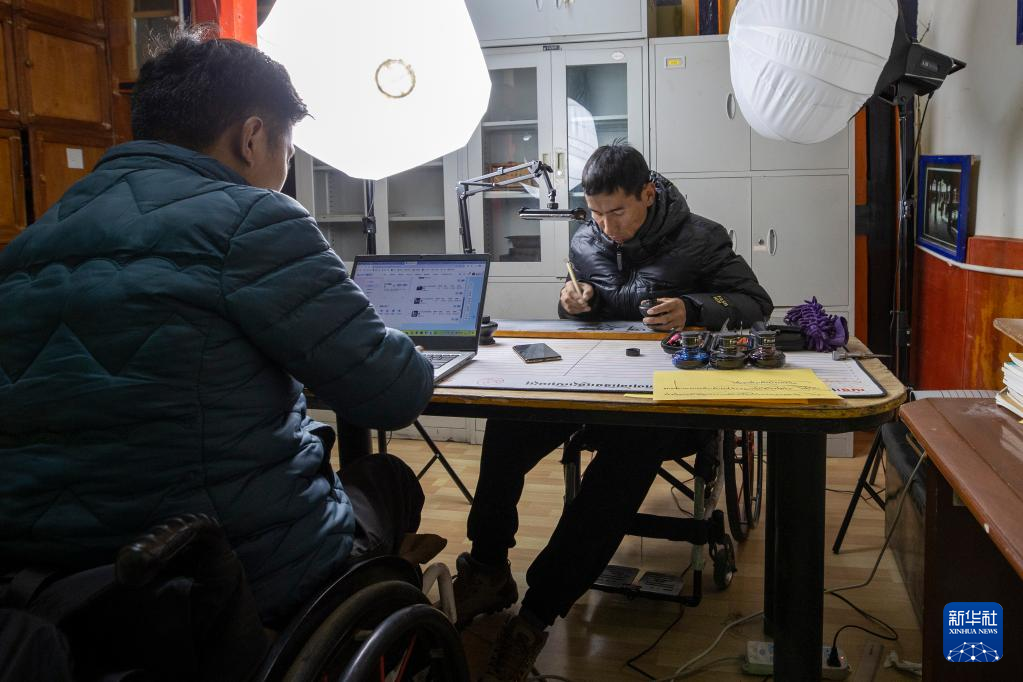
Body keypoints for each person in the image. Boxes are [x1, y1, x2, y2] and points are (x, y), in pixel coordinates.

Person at [0, 32, 435, 627]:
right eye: (288, 151)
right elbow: (395, 393)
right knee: (387, 478)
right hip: (217, 575)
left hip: (50, 586)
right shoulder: (254, 220)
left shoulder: (32, 238)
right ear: (251, 137)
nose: (284, 172)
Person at [457, 143, 773, 681]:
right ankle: (488, 567)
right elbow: (586, 309)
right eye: (596, 213)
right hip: (593, 384)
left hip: (666, 402)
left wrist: (693, 307)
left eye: (617, 212)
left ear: (647, 194)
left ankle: (536, 615)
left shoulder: (701, 237)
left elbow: (755, 302)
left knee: (626, 456)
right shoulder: (587, 240)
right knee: (508, 423)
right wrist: (572, 302)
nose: (605, 227)